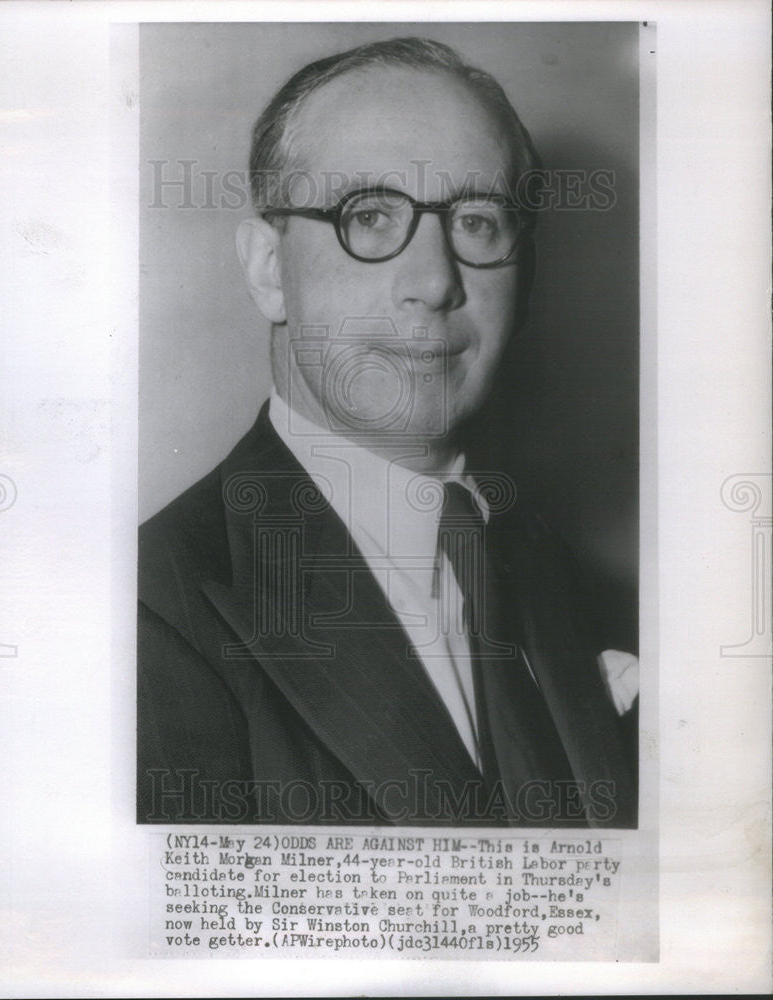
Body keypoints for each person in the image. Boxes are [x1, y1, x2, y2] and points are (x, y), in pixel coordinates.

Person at [137, 37, 638, 827]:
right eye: (368, 216)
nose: (436, 282)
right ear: (270, 268)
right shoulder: (144, 616)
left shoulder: (587, 588)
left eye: (477, 219)